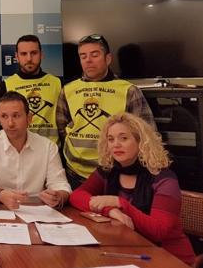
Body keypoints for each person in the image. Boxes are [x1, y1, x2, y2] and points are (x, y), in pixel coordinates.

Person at [69, 112, 195, 265]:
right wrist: (109, 210)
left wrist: (120, 204)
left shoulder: (164, 178)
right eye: (111, 139)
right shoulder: (109, 171)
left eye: (124, 138)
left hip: (168, 257)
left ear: (141, 141)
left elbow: (159, 231)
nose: (116, 144)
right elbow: (76, 196)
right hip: (128, 250)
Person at [56, 34, 156, 189]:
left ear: (108, 58)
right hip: (74, 175)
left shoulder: (128, 91)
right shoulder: (67, 90)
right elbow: (62, 130)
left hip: (115, 174)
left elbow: (147, 135)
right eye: (83, 56)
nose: (88, 60)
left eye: (94, 55)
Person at [0, 92, 70, 209]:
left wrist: (58, 196)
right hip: (1, 210)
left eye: (16, 116)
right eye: (4, 116)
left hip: (37, 212)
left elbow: (61, 186)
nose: (10, 123)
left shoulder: (48, 147)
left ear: (29, 118)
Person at [0, 35, 61, 144]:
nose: (29, 58)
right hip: (17, 151)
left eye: (34, 53)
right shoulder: (6, 85)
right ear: (17, 56)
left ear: (41, 55)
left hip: (50, 151)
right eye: (24, 54)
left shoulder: (57, 83)